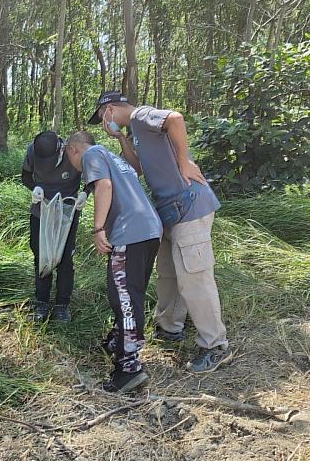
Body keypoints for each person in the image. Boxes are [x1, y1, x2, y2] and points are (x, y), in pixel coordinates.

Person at [88, 91, 232, 374]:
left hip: (189, 205)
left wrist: (183, 162)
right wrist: (119, 138)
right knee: (167, 273)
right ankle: (170, 327)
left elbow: (175, 119)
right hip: (167, 212)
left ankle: (214, 345)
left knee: (194, 277)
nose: (104, 123)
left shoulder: (141, 116)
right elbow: (137, 167)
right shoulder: (135, 132)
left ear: (110, 109)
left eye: (103, 116)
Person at [65, 131, 162, 393]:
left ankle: (129, 368)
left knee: (124, 298)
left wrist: (98, 230)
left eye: (68, 157)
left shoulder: (92, 154)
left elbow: (104, 186)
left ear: (73, 149)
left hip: (130, 233)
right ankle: (118, 342)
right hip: (150, 230)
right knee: (133, 293)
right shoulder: (113, 158)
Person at [21, 131, 83, 323]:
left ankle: (62, 305)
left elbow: (93, 178)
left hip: (67, 211)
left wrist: (85, 194)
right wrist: (35, 188)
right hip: (41, 209)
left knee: (65, 258)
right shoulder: (32, 151)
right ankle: (41, 302)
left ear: (61, 150)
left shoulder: (73, 153)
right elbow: (26, 176)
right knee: (41, 255)